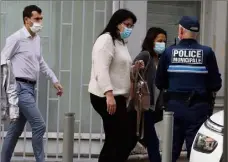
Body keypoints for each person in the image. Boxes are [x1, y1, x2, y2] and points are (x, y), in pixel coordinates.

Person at [1, 5, 63, 162]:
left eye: (41, 19)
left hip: (30, 88)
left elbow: (40, 62)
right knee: (39, 125)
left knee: (15, 130)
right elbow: (3, 61)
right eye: (37, 19)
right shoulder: (16, 38)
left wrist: (54, 79)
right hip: (19, 88)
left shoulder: (36, 39)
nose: (40, 22)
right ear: (26, 20)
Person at [155, 16, 222, 162]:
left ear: (180, 30)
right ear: (196, 33)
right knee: (196, 151)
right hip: (198, 109)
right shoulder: (207, 53)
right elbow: (216, 84)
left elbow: (159, 82)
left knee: (170, 151)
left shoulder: (168, 53)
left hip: (173, 110)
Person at [88, 9, 143, 162]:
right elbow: (101, 68)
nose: (129, 29)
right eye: (126, 24)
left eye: (131, 26)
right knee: (118, 137)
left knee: (122, 137)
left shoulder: (120, 43)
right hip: (105, 96)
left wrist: (135, 68)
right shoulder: (106, 40)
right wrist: (109, 94)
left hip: (118, 97)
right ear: (116, 23)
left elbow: (118, 68)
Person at [127, 27, 167, 162]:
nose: (162, 44)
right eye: (159, 40)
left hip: (153, 107)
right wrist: (137, 67)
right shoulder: (145, 55)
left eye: (164, 41)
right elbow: (133, 73)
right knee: (153, 143)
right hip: (144, 106)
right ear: (151, 41)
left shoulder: (160, 60)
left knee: (134, 139)